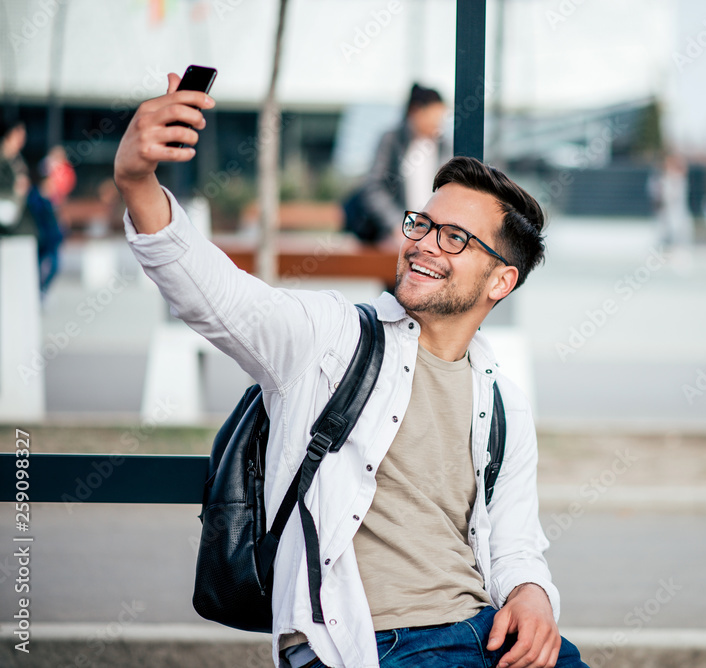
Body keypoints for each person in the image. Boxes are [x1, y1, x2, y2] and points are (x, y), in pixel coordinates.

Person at [114, 73, 587, 668]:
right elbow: (212, 292)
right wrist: (137, 179)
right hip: (367, 645)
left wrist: (532, 595)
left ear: (501, 280)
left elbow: (517, 540)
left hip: (482, 634)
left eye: (456, 238)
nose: (423, 244)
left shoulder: (503, 404)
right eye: (423, 224)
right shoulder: (331, 339)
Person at [346, 83, 449, 248]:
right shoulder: (392, 140)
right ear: (416, 111)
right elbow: (373, 187)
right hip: (393, 235)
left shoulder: (444, 146)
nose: (439, 123)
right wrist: (397, 225)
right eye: (435, 116)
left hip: (432, 233)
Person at [26, 164, 64, 297]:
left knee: (54, 266)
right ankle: (37, 291)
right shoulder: (35, 198)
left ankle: (42, 290)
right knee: (37, 266)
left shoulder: (51, 198)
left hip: (53, 239)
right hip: (41, 238)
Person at [0, 119, 35, 237]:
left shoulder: (18, 161)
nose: (22, 140)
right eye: (19, 135)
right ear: (8, 135)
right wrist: (15, 190)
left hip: (16, 215)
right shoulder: (4, 159)